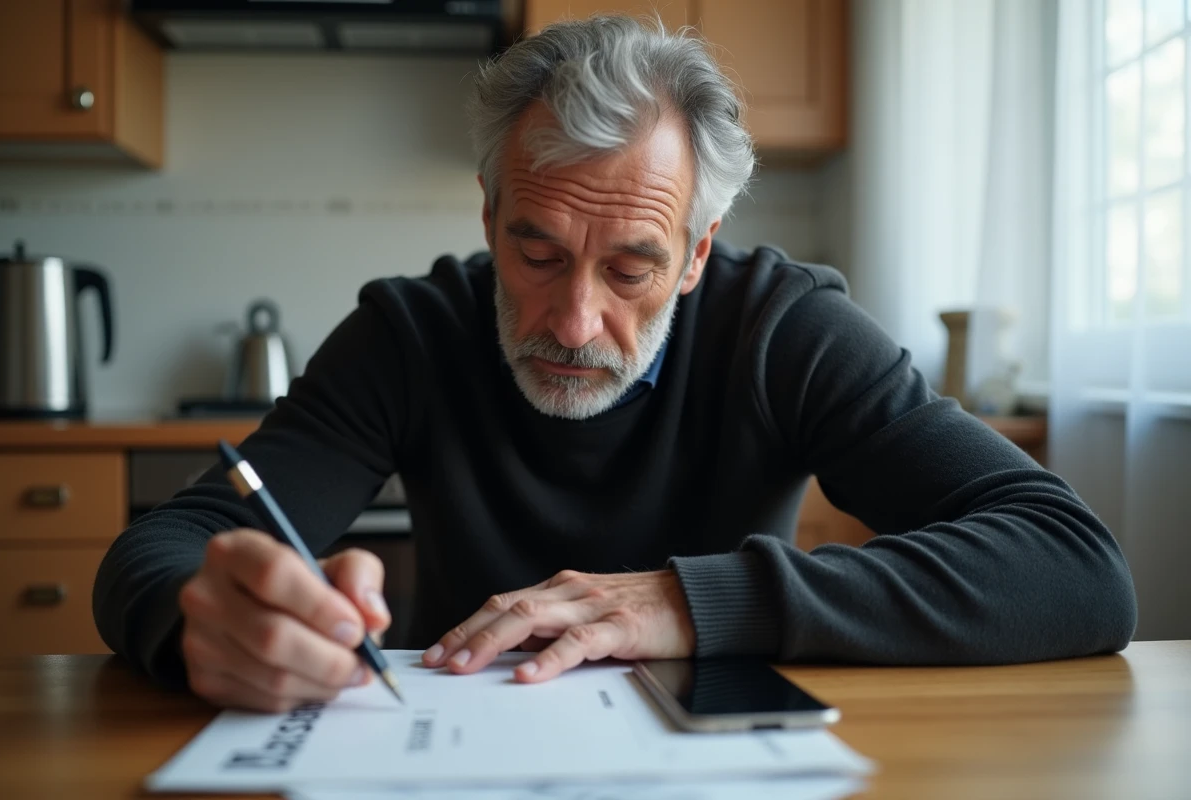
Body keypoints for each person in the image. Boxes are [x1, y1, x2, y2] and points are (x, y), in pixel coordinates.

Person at [93, 16, 1137, 713]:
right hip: (461, 751)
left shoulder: (782, 329)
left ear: (696, 253)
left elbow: (1073, 565)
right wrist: (204, 619)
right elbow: (165, 547)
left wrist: (689, 603)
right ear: (488, 213)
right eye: (536, 253)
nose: (576, 321)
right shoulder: (411, 334)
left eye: (632, 265)